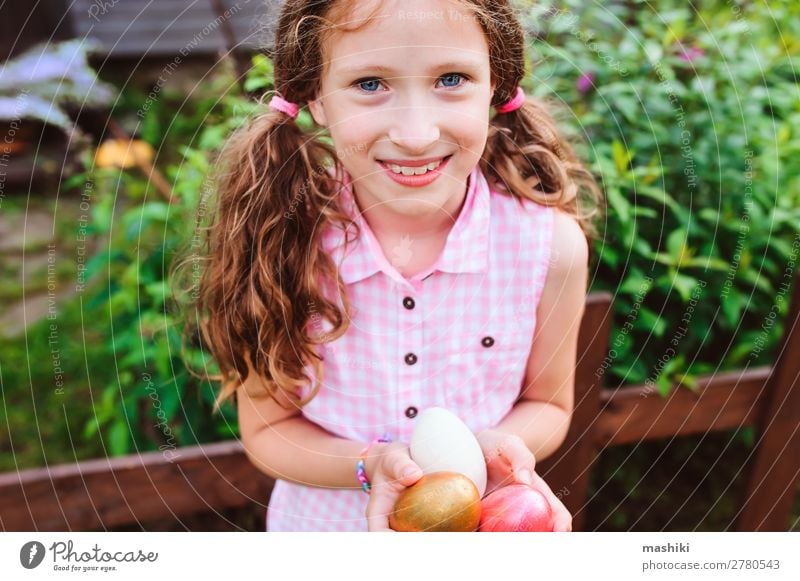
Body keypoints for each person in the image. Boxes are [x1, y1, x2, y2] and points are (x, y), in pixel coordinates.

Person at [191, 0, 603, 532]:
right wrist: (369, 465)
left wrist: (493, 452)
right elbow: (270, 431)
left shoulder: (549, 248)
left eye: (452, 78)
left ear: (495, 88)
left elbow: (548, 404)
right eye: (369, 84)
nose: (415, 133)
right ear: (315, 97)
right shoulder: (281, 242)